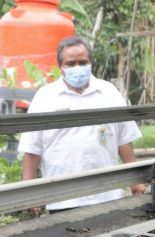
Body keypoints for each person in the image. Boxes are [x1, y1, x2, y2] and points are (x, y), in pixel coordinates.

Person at [19, 36, 145, 215]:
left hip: (107, 195)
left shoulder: (108, 92)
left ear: (90, 62)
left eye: (82, 62)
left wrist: (136, 180)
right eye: (71, 64)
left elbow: (124, 141)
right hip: (63, 199)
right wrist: (28, 191)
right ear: (60, 66)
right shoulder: (45, 97)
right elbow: (32, 149)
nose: (77, 67)